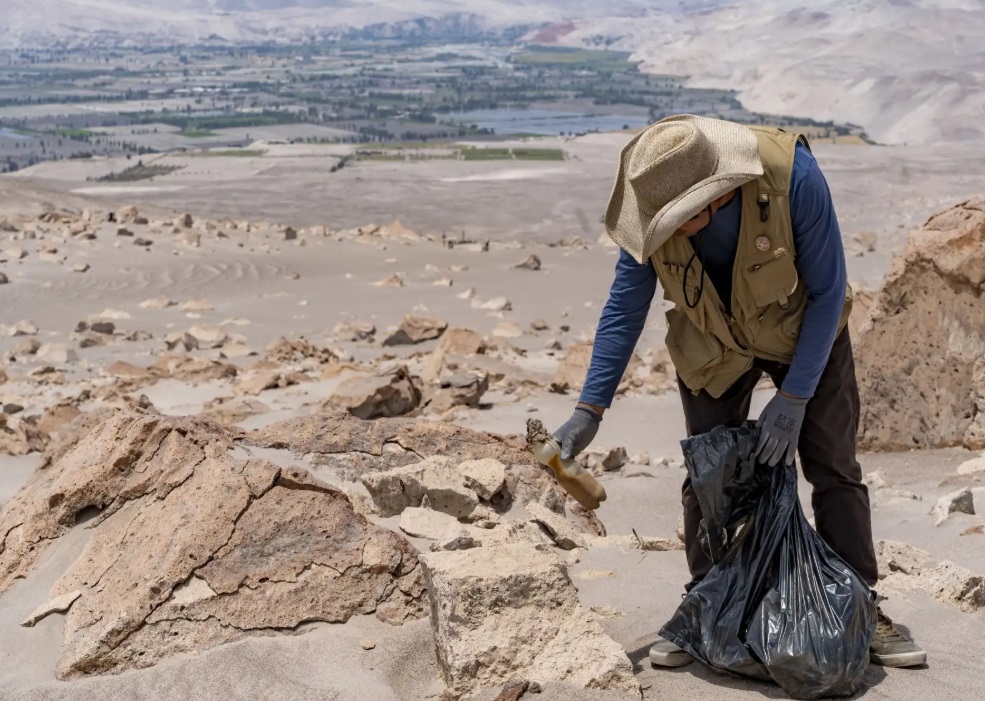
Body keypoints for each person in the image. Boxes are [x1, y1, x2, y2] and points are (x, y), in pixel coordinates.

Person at [551, 114, 927, 669]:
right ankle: (707, 604)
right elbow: (623, 310)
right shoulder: (653, 203)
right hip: (712, 342)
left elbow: (827, 292)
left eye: (680, 220)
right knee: (709, 471)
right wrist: (589, 411)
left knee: (833, 466)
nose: (667, 232)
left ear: (718, 195)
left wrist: (795, 397)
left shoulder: (793, 177)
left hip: (805, 332)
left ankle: (860, 609)